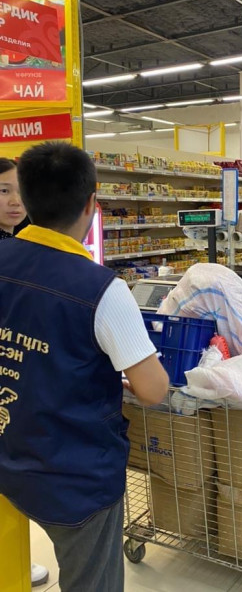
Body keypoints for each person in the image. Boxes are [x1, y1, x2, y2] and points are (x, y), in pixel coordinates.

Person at [0, 142, 169, 592]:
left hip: (10, 454)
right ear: (92, 203)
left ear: (26, 198)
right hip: (75, 477)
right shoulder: (101, 289)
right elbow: (153, 390)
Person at [0, 157, 50, 587]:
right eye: (3, 191)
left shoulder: (21, 241)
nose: (15, 201)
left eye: (20, 191)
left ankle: (13, 557)